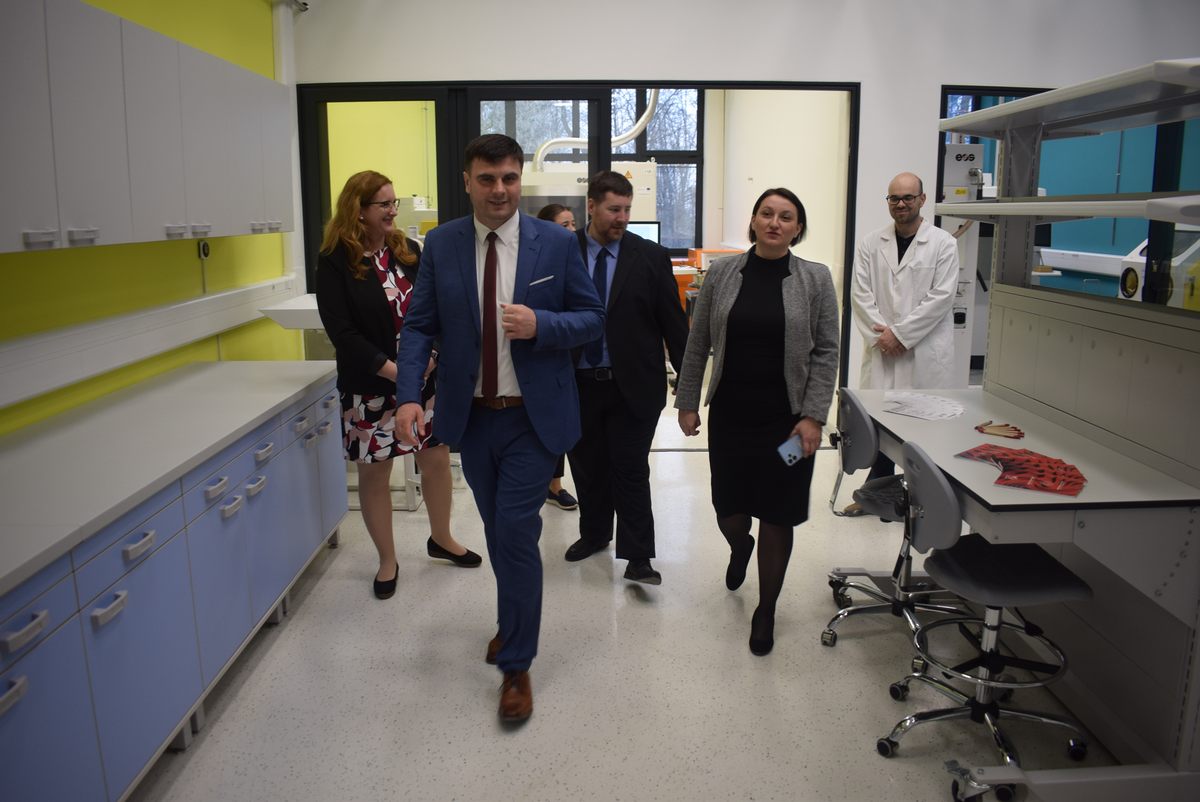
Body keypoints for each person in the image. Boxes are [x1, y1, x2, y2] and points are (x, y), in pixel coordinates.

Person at [394, 135, 604, 723]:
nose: (499, 190)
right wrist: (408, 396)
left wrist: (542, 324)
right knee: (498, 531)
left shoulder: (555, 243)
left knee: (514, 532)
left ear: (520, 181)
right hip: (473, 419)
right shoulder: (442, 244)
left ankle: (516, 664)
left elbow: (592, 318)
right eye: (487, 179)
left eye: (509, 178)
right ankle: (513, 621)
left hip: (533, 419)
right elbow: (419, 326)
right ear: (467, 182)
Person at [675, 187, 839, 656]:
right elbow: (699, 341)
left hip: (788, 425)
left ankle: (766, 608)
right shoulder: (724, 273)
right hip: (732, 415)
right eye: (766, 214)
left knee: (777, 510)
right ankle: (739, 545)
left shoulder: (815, 278)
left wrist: (814, 417)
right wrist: (687, 401)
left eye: (786, 216)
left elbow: (827, 351)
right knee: (729, 508)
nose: (774, 223)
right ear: (753, 221)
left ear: (798, 228)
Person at [315, 171, 482, 602]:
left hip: (424, 379)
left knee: (435, 459)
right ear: (358, 210)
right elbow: (343, 333)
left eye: (394, 203)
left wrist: (434, 356)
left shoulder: (407, 251)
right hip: (370, 386)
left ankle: (441, 537)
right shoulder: (334, 261)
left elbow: (435, 309)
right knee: (375, 473)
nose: (393, 211)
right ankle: (387, 559)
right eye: (384, 204)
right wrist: (397, 372)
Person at [563, 172, 689, 585]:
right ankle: (595, 533)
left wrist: (688, 390)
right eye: (613, 209)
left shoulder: (649, 256)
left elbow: (674, 325)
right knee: (587, 467)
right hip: (578, 384)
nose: (621, 218)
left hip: (633, 385)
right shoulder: (563, 252)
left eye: (627, 210)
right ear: (591, 206)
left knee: (631, 469)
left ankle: (638, 557)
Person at [844, 172, 958, 513]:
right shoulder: (870, 243)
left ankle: (921, 501)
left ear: (922, 199)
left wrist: (901, 335)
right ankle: (875, 492)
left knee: (921, 428)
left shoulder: (943, 243)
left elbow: (941, 297)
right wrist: (884, 337)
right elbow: (859, 294)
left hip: (923, 351)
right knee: (878, 423)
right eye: (894, 198)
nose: (901, 204)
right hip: (884, 348)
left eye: (908, 197)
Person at [535, 203, 580, 512]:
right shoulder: (537, 260)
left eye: (573, 224)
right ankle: (546, 484)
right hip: (545, 352)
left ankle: (554, 485)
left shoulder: (573, 256)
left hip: (574, 351)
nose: (572, 231)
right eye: (565, 225)